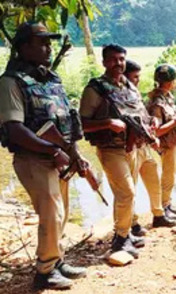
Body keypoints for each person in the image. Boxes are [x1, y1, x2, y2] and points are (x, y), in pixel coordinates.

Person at [0, 22, 87, 289]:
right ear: (24, 47)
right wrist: (53, 150)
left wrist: (74, 153)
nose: (49, 48)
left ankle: (57, 260)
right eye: (42, 43)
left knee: (62, 212)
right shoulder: (9, 83)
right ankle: (45, 271)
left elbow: (65, 121)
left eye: (50, 42)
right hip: (34, 159)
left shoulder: (50, 79)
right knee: (51, 213)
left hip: (58, 158)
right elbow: (15, 130)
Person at [79, 44, 152, 259]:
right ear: (104, 62)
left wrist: (151, 122)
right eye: (112, 59)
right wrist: (108, 123)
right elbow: (82, 124)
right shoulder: (95, 89)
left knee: (127, 194)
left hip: (132, 147)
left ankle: (126, 231)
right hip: (110, 149)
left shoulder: (129, 86)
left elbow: (141, 113)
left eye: (121, 59)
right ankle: (120, 240)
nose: (118, 63)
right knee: (126, 192)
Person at [123, 60, 176, 234]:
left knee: (153, 178)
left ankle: (159, 214)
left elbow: (144, 119)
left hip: (144, 144)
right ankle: (131, 224)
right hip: (129, 146)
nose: (138, 80)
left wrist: (151, 129)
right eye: (135, 77)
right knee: (130, 187)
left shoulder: (135, 94)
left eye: (138, 77)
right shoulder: (119, 95)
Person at [147, 64, 176, 220]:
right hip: (164, 146)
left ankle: (167, 204)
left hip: (170, 144)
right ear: (171, 82)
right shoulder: (158, 102)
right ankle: (164, 206)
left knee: (169, 175)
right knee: (166, 176)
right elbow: (156, 131)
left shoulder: (166, 97)